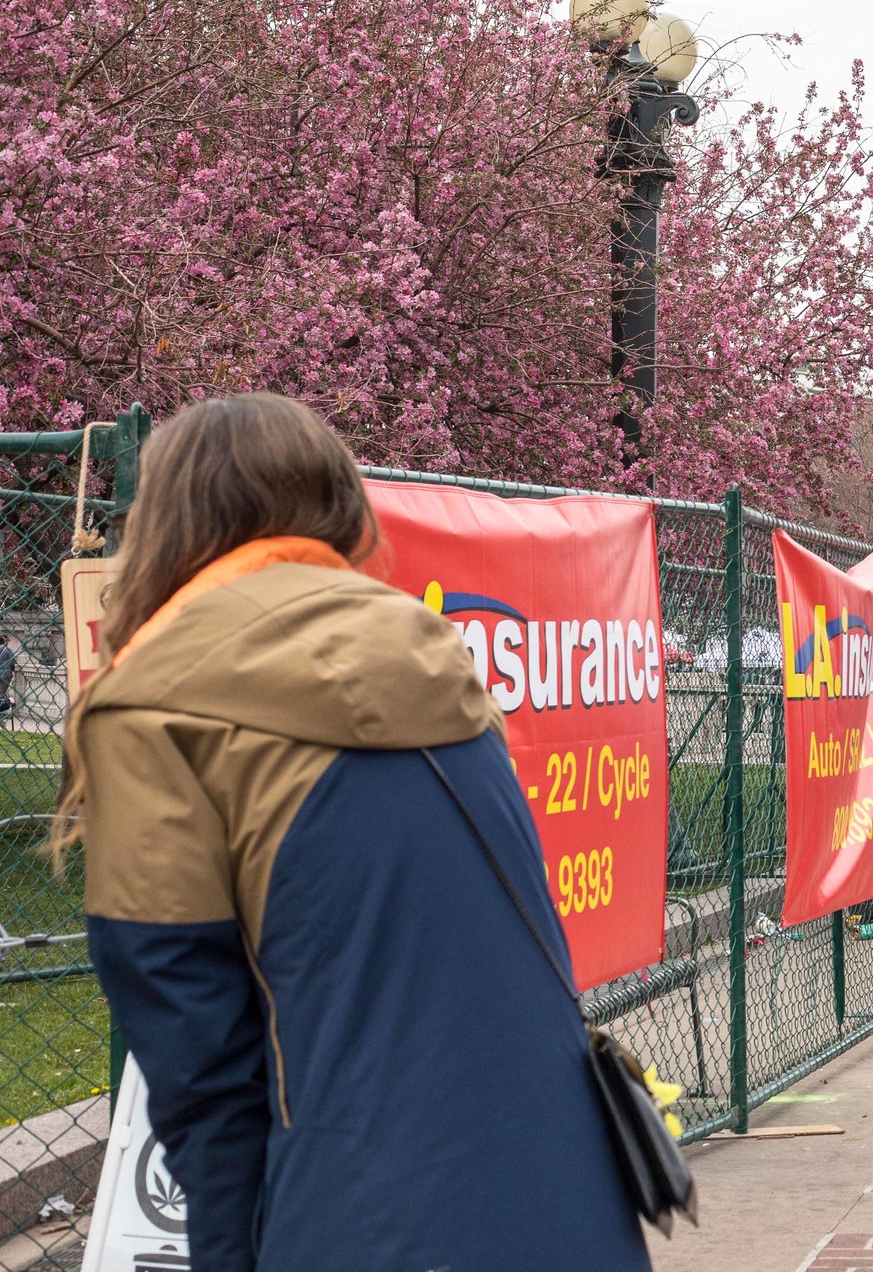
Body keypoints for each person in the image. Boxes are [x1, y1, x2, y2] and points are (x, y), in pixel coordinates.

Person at [59, 394, 651, 1272]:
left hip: (364, 1221)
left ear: (168, 523)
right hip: (570, 1204)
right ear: (338, 506)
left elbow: (202, 1073)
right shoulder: (436, 660)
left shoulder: (153, 706)